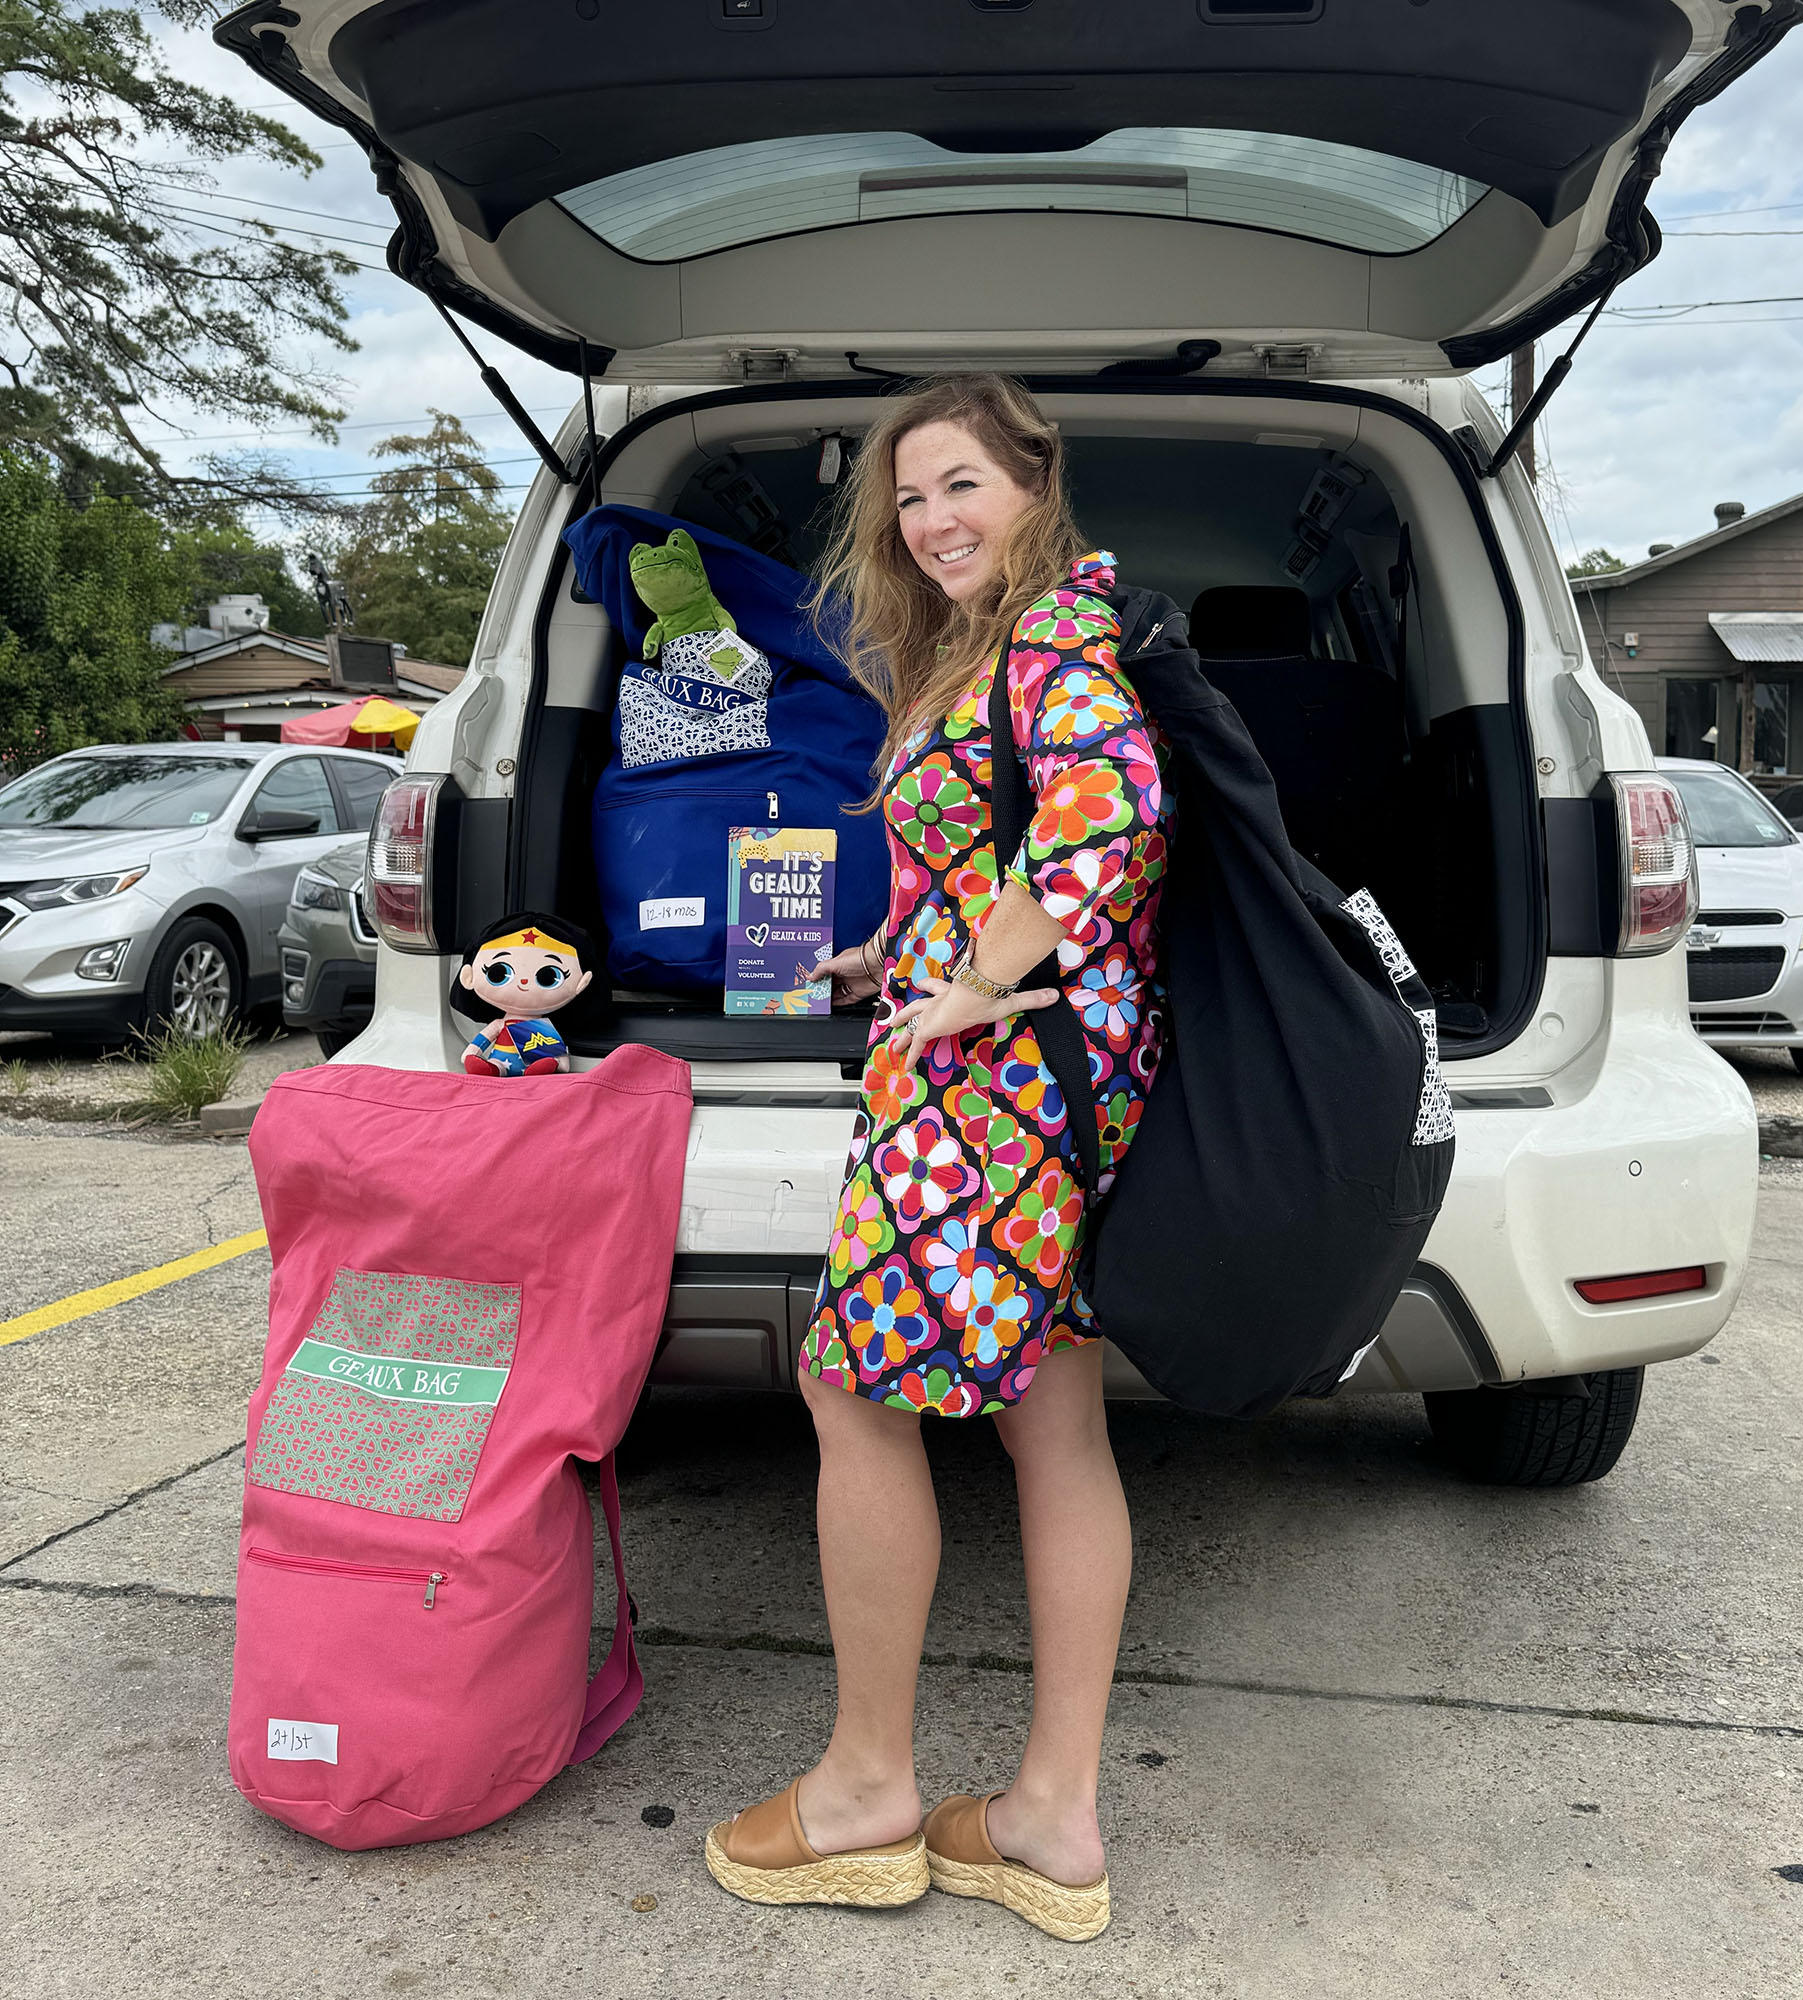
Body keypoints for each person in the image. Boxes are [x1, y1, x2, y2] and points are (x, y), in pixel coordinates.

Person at [703, 375, 1171, 1942]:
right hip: (1049, 1090)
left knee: (851, 1391)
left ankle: (863, 1794)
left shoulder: (1052, 636)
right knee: (1056, 1422)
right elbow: (990, 852)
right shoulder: (985, 649)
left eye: (962, 483)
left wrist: (970, 989)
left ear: (1035, 482)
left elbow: (1108, 818)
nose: (932, 520)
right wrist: (895, 959)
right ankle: (1049, 1819)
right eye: (908, 497)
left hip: (994, 1095)